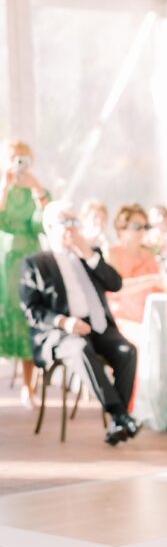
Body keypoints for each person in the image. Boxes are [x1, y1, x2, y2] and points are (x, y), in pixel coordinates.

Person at [19, 200, 139, 446]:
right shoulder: (36, 262)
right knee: (79, 348)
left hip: (97, 326)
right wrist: (65, 322)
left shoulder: (89, 254)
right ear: (50, 226)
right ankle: (120, 415)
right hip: (60, 332)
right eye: (65, 222)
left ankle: (119, 422)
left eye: (75, 222)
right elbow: (32, 311)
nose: (72, 228)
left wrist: (88, 253)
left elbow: (115, 284)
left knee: (127, 351)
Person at [0, 140, 50, 408]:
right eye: (13, 158)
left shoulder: (37, 191)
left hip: (28, 261)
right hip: (3, 261)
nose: (18, 164)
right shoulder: (3, 188)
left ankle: (28, 389)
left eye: (23, 159)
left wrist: (37, 191)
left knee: (26, 317)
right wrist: (4, 188)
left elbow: (44, 225)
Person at [106, 204, 163, 324]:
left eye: (145, 226)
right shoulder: (112, 253)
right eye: (137, 226)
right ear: (121, 229)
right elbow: (116, 288)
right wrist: (152, 279)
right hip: (122, 318)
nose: (142, 231)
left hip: (150, 316)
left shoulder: (148, 254)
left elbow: (159, 288)